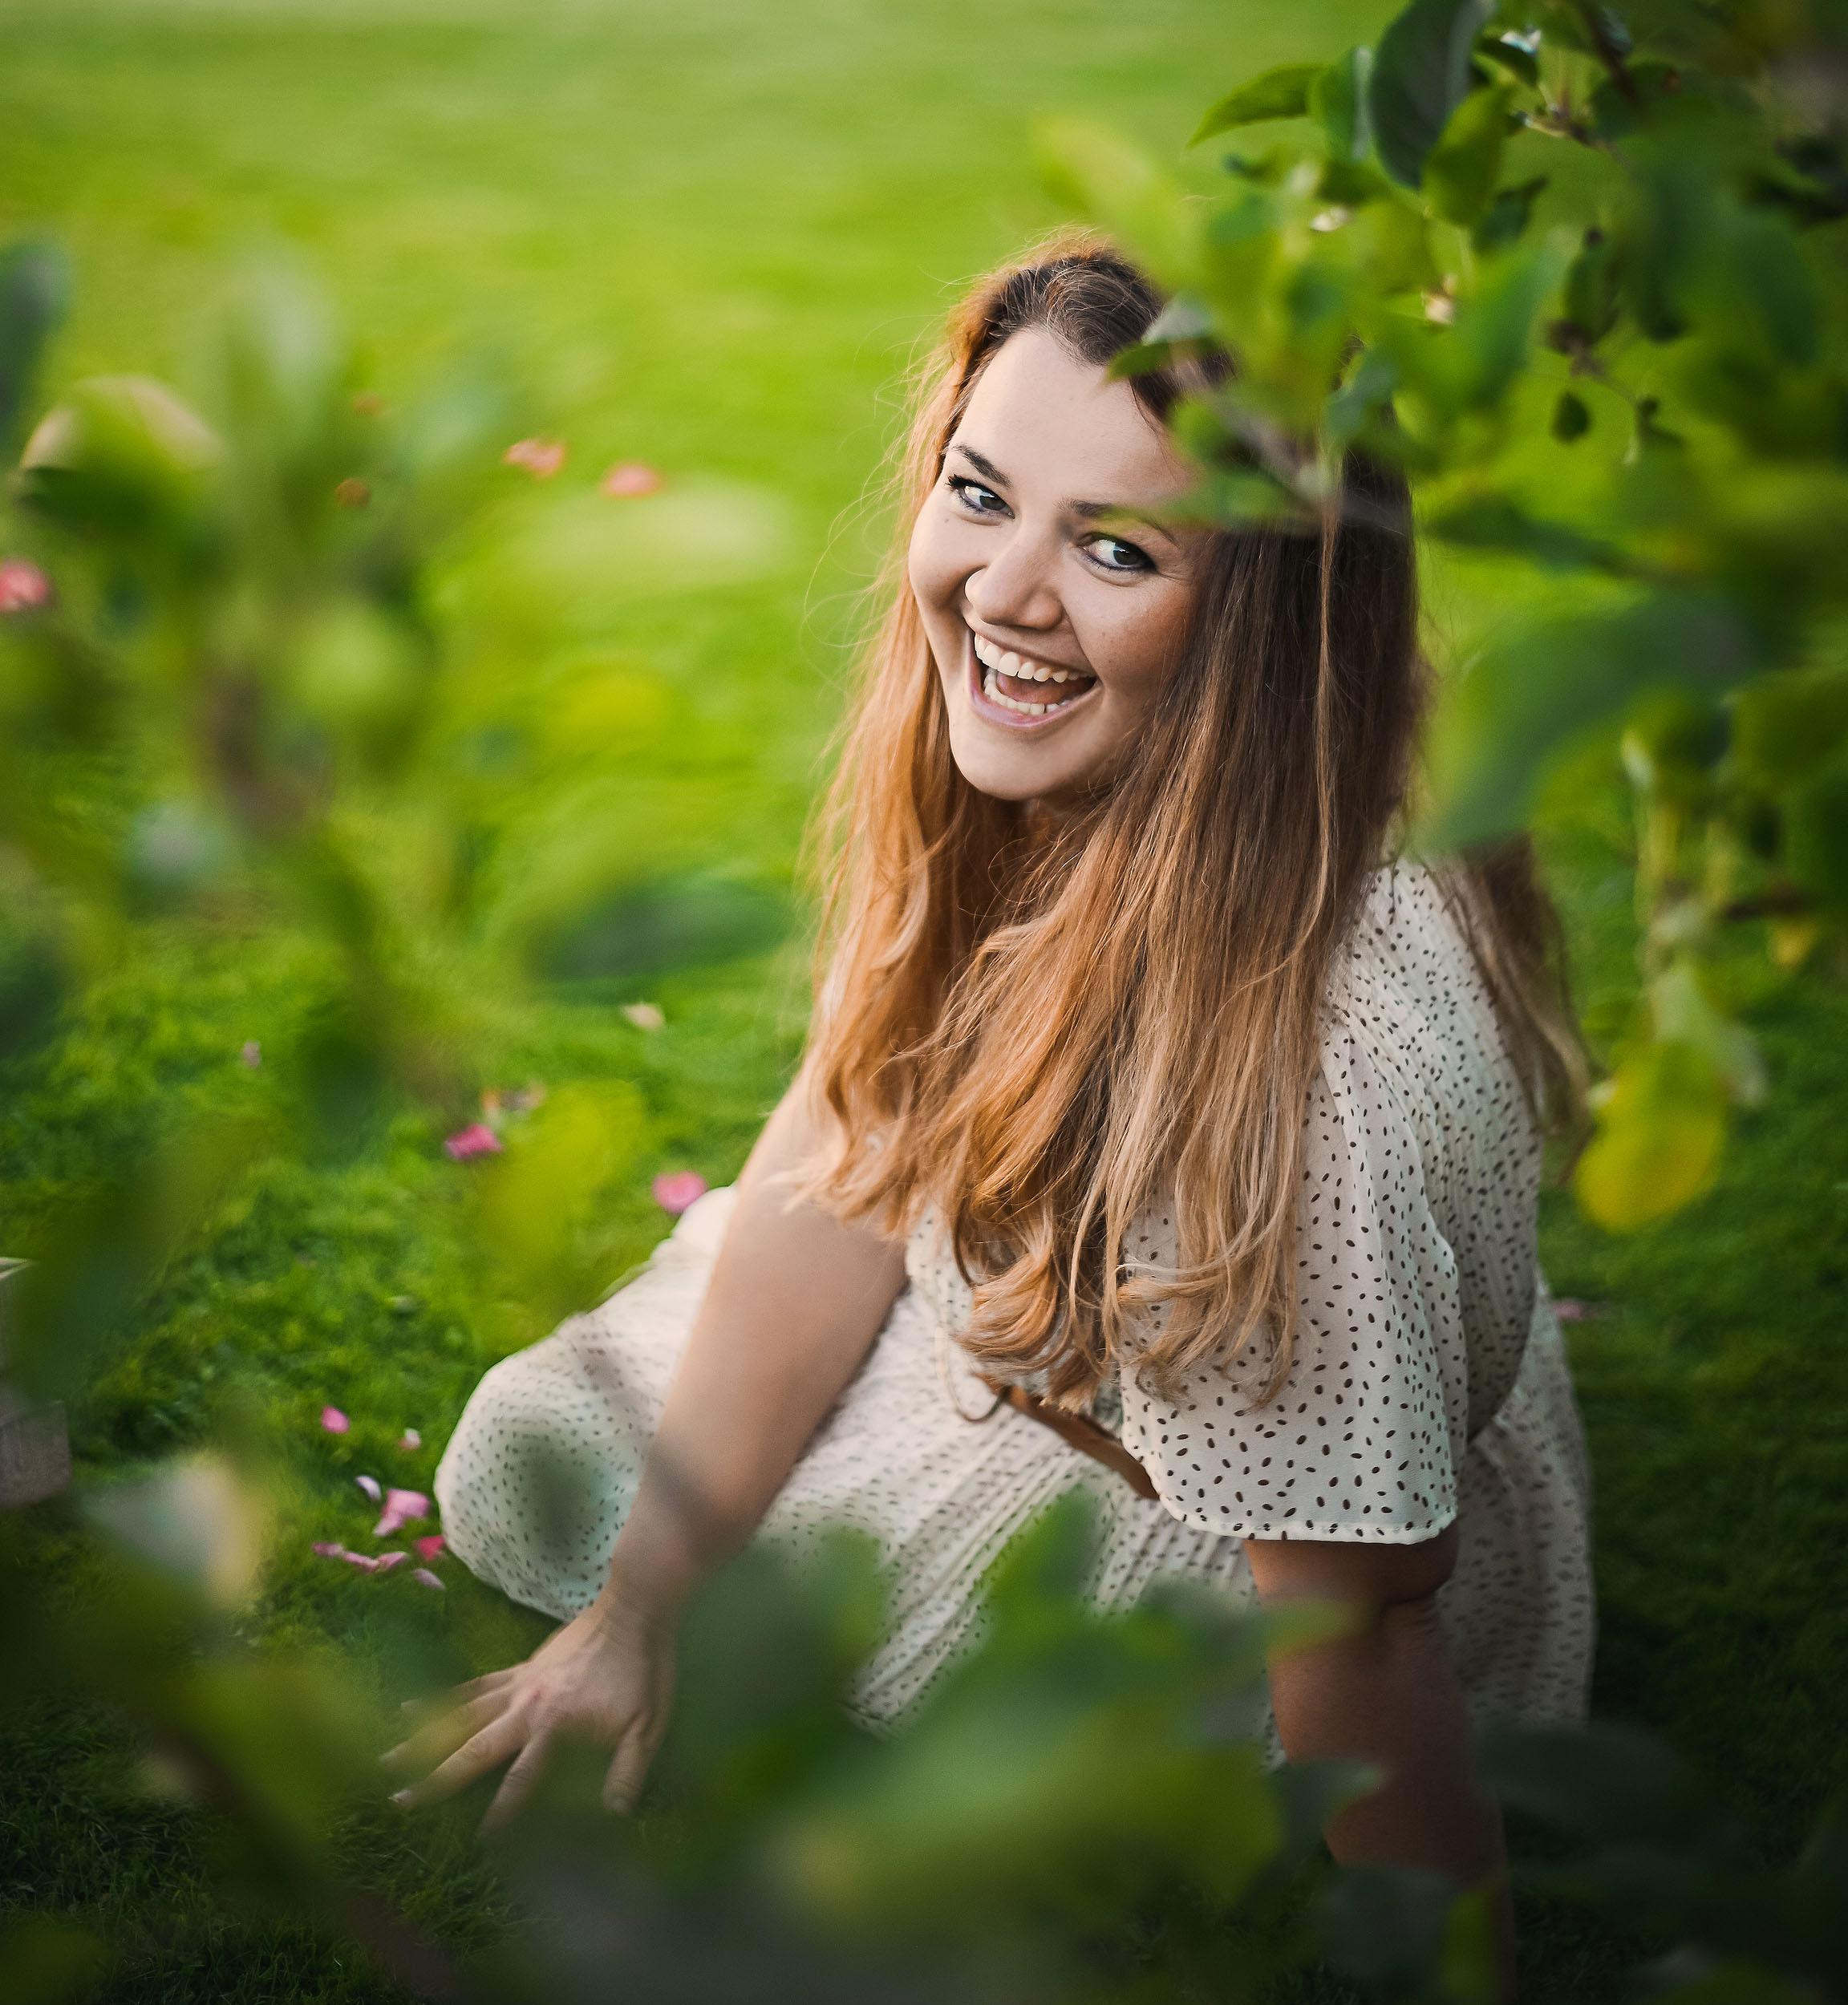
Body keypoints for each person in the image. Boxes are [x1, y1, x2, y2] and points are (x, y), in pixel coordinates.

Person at [388, 234, 1597, 1991]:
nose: (1002, 594)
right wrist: (633, 1613)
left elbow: (1358, 1626)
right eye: (981, 494)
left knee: (643, 1515)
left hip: (1249, 1554)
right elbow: (850, 1135)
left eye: (1117, 547)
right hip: (1130, 1342)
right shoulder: (1091, 762)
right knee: (554, 1465)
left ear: (1261, 620)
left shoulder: (1299, 1073)